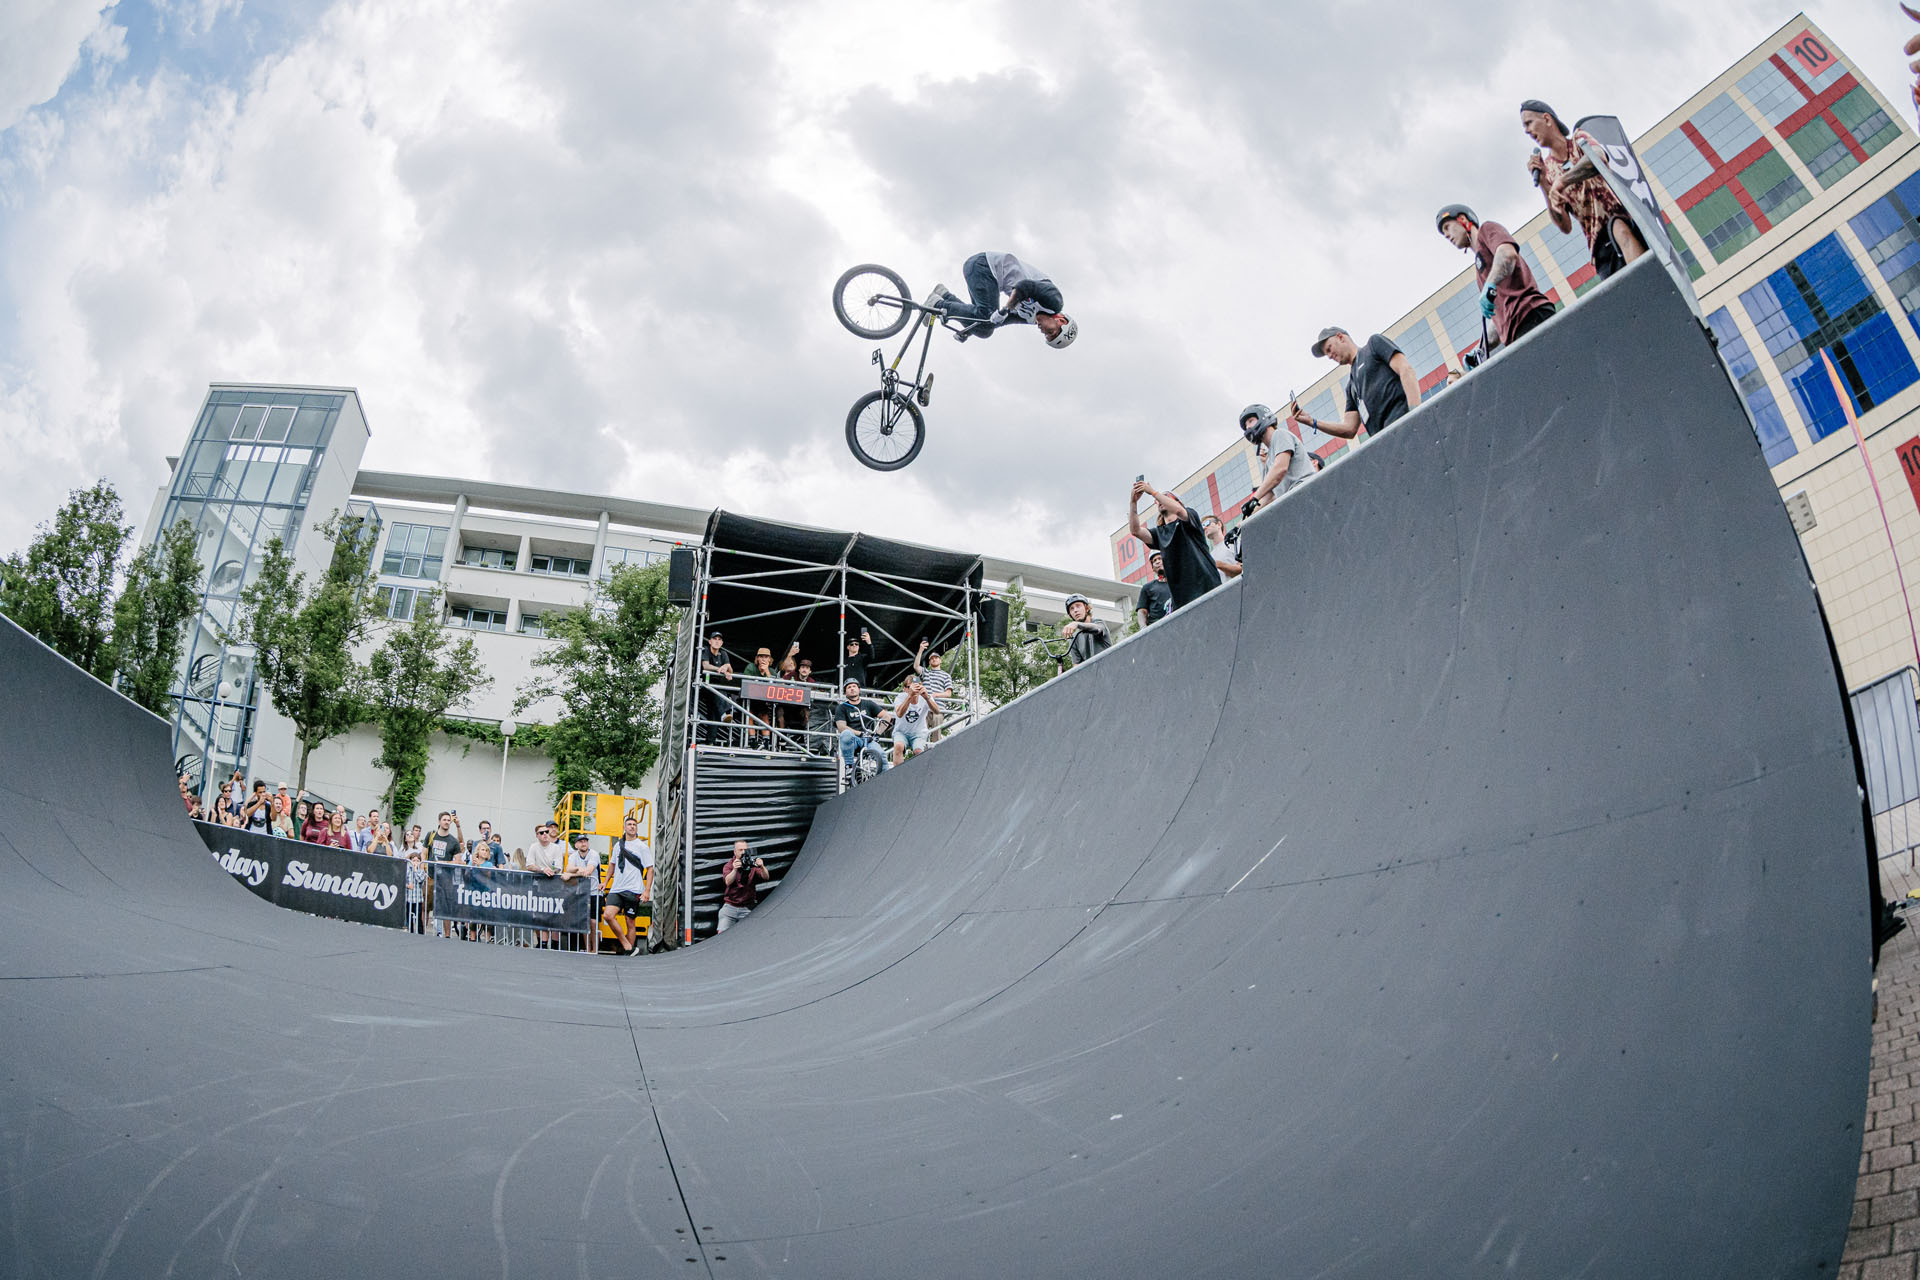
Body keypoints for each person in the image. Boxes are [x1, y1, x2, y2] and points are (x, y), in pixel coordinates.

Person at [1521, 100, 1645, 282]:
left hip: (1623, 220)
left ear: (1547, 119)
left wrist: (1562, 181)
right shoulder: (1549, 170)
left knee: (1619, 229)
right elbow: (1565, 226)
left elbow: (1598, 158)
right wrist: (1544, 184)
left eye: (1529, 123)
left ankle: (1650, 281)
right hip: (1599, 246)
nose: (1527, 130)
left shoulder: (1579, 139)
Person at [1436, 205, 1556, 351]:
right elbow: (1498, 320)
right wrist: (1479, 349)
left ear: (1462, 219)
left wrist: (1490, 283)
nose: (1447, 236)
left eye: (1447, 227)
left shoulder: (1487, 230)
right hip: (1515, 336)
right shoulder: (1480, 273)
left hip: (1531, 316)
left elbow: (1507, 254)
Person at [1292, 328, 1421, 442]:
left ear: (1340, 337)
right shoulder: (1351, 387)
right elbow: (1349, 429)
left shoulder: (1373, 345)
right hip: (1386, 442)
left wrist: (1416, 413)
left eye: (1329, 349)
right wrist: (1312, 422)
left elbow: (1406, 370)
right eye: (1327, 354)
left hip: (1406, 424)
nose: (1330, 356)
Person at [928, 252, 1077, 348]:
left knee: (985, 331)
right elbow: (1024, 286)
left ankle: (944, 295)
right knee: (986, 317)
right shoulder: (1054, 301)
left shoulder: (1030, 318)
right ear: (1061, 320)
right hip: (984, 266)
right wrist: (1006, 308)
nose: (1043, 331)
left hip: (986, 278)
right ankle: (937, 304)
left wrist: (969, 330)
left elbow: (997, 321)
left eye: (1046, 335)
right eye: (1050, 331)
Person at [1128, 481, 1223, 613]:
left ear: (1177, 501)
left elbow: (1179, 510)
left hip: (1207, 586)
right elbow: (1136, 531)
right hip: (1183, 598)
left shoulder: (1190, 517)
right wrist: (1133, 502)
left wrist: (1153, 492)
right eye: (1157, 501)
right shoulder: (1159, 533)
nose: (1159, 501)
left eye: (1165, 497)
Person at [1238, 404, 1314, 511]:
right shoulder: (1269, 461)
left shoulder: (1280, 434)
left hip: (1308, 492)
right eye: (1246, 426)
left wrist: (1255, 497)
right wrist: (1242, 522)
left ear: (1263, 417)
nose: (1248, 428)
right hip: (1294, 502)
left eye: (1250, 421)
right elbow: (1268, 496)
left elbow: (1280, 469)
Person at [603, 814, 653, 955]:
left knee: (630, 922)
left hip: (633, 889)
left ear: (636, 828)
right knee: (608, 915)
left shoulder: (642, 847)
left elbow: (650, 869)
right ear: (624, 827)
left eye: (634, 825)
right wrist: (605, 882)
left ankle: (629, 953)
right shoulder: (618, 846)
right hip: (617, 888)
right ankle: (627, 945)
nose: (632, 826)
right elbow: (612, 865)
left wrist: (647, 890)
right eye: (629, 824)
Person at [834, 680, 893, 780]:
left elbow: (887, 717)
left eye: (854, 686)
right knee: (845, 734)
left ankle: (886, 779)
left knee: (881, 754)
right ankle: (849, 767)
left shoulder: (868, 704)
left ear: (859, 689)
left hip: (869, 739)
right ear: (845, 692)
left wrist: (877, 734)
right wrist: (860, 734)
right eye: (849, 687)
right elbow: (841, 727)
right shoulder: (842, 707)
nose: (852, 688)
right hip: (854, 739)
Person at [718, 840, 769, 933]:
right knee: (721, 933)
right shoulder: (729, 865)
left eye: (745, 850)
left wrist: (762, 866)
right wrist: (735, 869)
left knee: (752, 934)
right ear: (735, 852)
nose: (743, 852)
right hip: (730, 907)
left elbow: (766, 877)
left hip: (747, 908)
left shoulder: (751, 863)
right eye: (740, 850)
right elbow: (728, 882)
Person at [563, 832, 603, 953]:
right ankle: (587, 948)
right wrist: (575, 869)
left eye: (585, 841)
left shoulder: (594, 854)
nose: (583, 843)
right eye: (580, 841)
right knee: (584, 921)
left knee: (593, 921)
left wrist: (571, 874)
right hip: (582, 893)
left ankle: (594, 949)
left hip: (595, 892)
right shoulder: (574, 856)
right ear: (576, 845)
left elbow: (588, 871)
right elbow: (569, 867)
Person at [914, 640, 955, 742]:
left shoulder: (946, 676)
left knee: (936, 735)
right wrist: (921, 650)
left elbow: (948, 693)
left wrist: (935, 695)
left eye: (936, 657)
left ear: (940, 660)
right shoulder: (926, 673)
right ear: (929, 662)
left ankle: (935, 751)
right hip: (925, 709)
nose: (934, 659)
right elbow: (915, 666)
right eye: (931, 658)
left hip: (938, 708)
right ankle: (920, 750)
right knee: (921, 734)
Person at [699, 630, 736, 744]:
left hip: (716, 688)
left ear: (722, 643)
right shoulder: (705, 650)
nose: (717, 641)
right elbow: (705, 665)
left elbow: (731, 669)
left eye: (719, 639)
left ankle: (710, 741)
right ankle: (725, 713)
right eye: (715, 639)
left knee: (714, 713)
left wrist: (725, 666)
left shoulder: (723, 653)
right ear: (710, 641)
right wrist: (719, 669)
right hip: (704, 686)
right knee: (718, 692)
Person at [891, 673, 937, 765]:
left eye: (917, 687)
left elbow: (936, 711)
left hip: (918, 733)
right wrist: (909, 696)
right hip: (901, 732)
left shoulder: (925, 696)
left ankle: (919, 775)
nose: (914, 690)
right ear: (905, 689)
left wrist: (927, 697)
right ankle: (897, 776)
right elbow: (899, 714)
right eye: (910, 687)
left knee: (918, 751)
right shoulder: (900, 697)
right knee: (898, 746)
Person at [1061, 594, 1111, 666]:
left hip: (1109, 670)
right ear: (1070, 615)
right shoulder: (1073, 639)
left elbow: (1097, 628)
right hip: (1092, 675)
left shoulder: (1099, 622)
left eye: (1078, 606)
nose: (1075, 610)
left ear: (1087, 608)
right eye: (1072, 608)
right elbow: (1077, 667)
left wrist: (1077, 624)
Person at [1135, 551, 1173, 629]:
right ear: (1152, 568)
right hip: (1157, 627)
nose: (1157, 562)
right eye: (1154, 561)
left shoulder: (1178, 583)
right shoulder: (1148, 587)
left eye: (1160, 558)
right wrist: (1143, 628)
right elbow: (1142, 611)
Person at [1201, 515, 1243, 580]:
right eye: (1202, 527)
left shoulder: (1233, 541)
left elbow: (1243, 568)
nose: (1204, 528)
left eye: (1207, 523)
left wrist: (1219, 565)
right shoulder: (1209, 556)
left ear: (1218, 524)